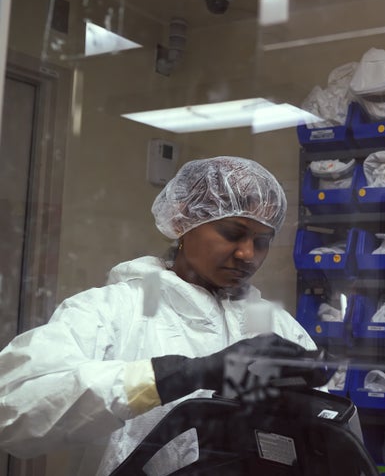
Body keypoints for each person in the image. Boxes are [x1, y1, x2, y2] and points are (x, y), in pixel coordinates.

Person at [0, 156, 318, 475]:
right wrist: (173, 375)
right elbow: (14, 411)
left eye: (261, 242)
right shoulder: (115, 311)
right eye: (233, 233)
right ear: (182, 222)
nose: (247, 254)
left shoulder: (270, 322)